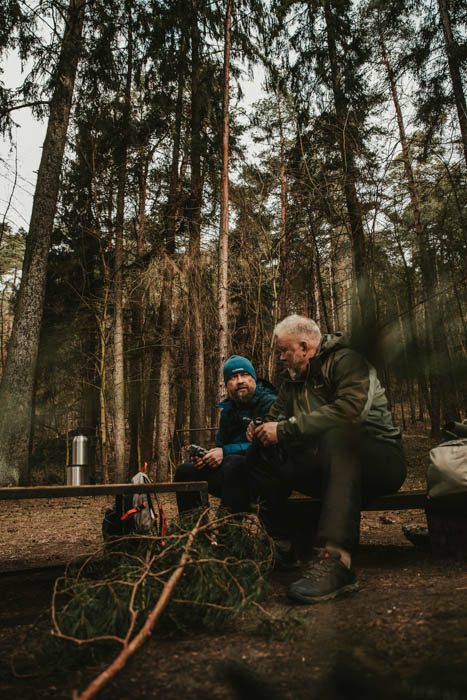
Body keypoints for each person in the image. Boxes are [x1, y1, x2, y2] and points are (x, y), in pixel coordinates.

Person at [246, 314, 407, 604]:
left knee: (338, 436)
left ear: (305, 347)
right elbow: (274, 421)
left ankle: (337, 562)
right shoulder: (291, 383)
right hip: (329, 469)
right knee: (262, 447)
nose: (280, 358)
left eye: (284, 350)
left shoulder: (347, 362)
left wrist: (284, 429)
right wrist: (260, 429)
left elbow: (349, 411)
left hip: (380, 460)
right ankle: (281, 545)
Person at [175, 355, 277, 516]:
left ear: (254, 379)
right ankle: (195, 531)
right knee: (186, 471)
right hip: (233, 478)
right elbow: (221, 446)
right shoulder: (228, 410)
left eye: (245, 375)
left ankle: (227, 533)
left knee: (234, 462)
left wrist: (226, 452)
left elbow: (268, 446)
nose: (240, 381)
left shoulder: (270, 403)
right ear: (227, 384)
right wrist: (207, 458)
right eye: (233, 377)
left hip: (264, 477)